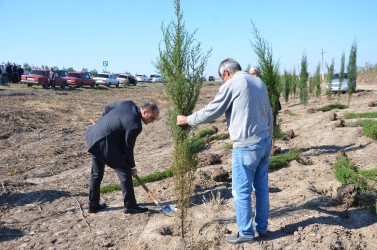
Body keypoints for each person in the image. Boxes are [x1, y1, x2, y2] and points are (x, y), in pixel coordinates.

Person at [177, 58, 273, 244]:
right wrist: (269, 137)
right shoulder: (258, 82)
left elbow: (213, 110)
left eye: (223, 79)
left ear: (226, 73)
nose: (223, 82)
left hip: (246, 146)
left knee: (241, 192)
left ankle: (246, 233)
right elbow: (268, 112)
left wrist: (188, 120)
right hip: (264, 142)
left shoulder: (233, 83)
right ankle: (262, 228)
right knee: (261, 189)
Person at [85, 101, 159, 214]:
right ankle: (130, 206)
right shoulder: (136, 125)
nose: (153, 121)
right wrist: (132, 167)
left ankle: (93, 205)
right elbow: (128, 149)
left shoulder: (128, 104)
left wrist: (102, 123)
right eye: (152, 118)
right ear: (144, 112)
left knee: (96, 174)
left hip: (93, 137)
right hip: (103, 143)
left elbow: (108, 107)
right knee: (125, 171)